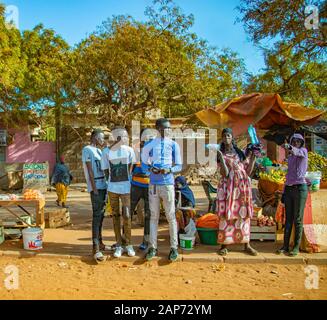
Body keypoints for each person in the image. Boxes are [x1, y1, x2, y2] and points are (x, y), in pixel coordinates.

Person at [141, 118, 182, 262]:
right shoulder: (149, 145)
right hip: (153, 185)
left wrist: (168, 169)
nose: (168, 131)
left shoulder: (174, 145)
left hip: (168, 184)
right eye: (165, 129)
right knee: (153, 217)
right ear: (158, 129)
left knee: (171, 217)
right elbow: (144, 165)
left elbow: (179, 166)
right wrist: (151, 169)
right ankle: (152, 247)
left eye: (169, 129)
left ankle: (174, 248)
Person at [216, 128, 258, 256]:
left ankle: (246, 244)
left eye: (228, 135)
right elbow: (225, 174)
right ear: (222, 139)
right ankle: (224, 245)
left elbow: (248, 171)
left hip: (243, 186)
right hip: (228, 186)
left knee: (243, 213)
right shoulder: (220, 154)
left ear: (232, 137)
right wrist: (221, 159)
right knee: (227, 213)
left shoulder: (240, 153)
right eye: (224, 136)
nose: (226, 138)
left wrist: (253, 157)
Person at [101, 127, 136, 258]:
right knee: (115, 216)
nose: (126, 139)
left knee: (127, 215)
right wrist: (109, 182)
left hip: (126, 188)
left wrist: (127, 179)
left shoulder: (129, 151)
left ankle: (129, 243)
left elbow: (131, 167)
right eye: (124, 137)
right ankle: (119, 244)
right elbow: (105, 170)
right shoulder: (106, 152)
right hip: (112, 189)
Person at [277, 133, 308, 257]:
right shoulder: (290, 158)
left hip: (300, 188)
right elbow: (288, 176)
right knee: (288, 219)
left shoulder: (303, 152)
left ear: (301, 143)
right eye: (293, 141)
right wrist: (284, 192)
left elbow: (296, 151)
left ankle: (296, 247)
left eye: (298, 141)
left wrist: (289, 147)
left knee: (298, 219)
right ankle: (285, 246)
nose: (296, 143)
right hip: (289, 189)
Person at [82, 129, 108, 263]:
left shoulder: (100, 151)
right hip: (96, 186)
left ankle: (101, 242)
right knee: (97, 216)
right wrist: (94, 187)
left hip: (104, 185)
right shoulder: (87, 150)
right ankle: (95, 247)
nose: (103, 140)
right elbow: (90, 170)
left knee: (102, 215)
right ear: (95, 137)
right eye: (101, 138)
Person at [130, 128, 154, 251]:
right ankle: (125, 240)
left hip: (149, 187)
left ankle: (146, 241)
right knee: (128, 213)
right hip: (135, 186)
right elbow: (130, 169)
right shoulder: (135, 151)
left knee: (148, 215)